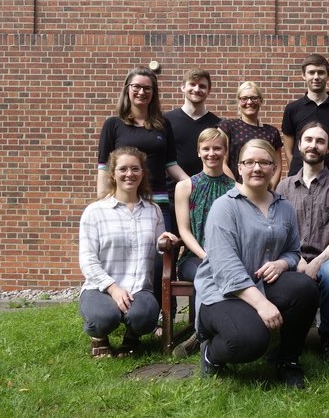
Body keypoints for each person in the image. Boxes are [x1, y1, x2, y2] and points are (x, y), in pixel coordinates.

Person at [195, 139, 319, 388]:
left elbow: (294, 251)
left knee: (304, 287)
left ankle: (287, 360)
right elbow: (226, 268)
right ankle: (211, 354)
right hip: (222, 293)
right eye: (249, 162)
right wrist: (262, 304)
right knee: (250, 340)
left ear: (274, 168)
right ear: (239, 168)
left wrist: (283, 264)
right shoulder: (224, 207)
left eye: (264, 162)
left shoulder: (284, 207)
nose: (257, 168)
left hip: (262, 283)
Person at [97, 66, 188, 310]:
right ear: (127, 90)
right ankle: (117, 308)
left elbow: (171, 165)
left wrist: (192, 183)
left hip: (158, 203)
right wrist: (102, 202)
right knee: (123, 258)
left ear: (154, 92)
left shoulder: (162, 125)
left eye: (147, 88)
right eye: (136, 87)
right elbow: (104, 168)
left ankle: (158, 313)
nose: (141, 92)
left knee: (161, 260)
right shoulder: (113, 125)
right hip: (123, 203)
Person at [79, 146, 179, 357]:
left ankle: (132, 335)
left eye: (135, 169)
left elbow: (158, 250)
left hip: (139, 288)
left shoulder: (153, 211)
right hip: (101, 288)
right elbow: (87, 260)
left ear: (143, 173)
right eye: (123, 169)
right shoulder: (95, 212)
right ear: (113, 174)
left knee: (144, 317)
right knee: (104, 318)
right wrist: (113, 289)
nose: (129, 174)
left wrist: (165, 241)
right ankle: (99, 335)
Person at [276, 121, 329, 362]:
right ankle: (289, 337)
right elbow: (282, 232)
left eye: (320, 141)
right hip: (293, 256)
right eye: (309, 140)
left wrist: (317, 262)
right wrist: (299, 260)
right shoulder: (284, 186)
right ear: (300, 145)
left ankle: (328, 337)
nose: (314, 145)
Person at [164, 69, 222, 233]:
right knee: (171, 249)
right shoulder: (166, 121)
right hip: (172, 197)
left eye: (202, 86)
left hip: (207, 197)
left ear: (208, 91)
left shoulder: (218, 124)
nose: (197, 89)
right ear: (182, 87)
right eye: (192, 84)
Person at [174, 127, 235, 282]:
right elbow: (184, 231)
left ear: (225, 151)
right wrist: (206, 257)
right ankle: (194, 308)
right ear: (198, 152)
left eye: (217, 148)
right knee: (206, 275)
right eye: (206, 149)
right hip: (195, 257)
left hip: (229, 258)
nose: (211, 153)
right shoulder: (184, 187)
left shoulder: (236, 189)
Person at [282, 53, 329, 177]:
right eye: (311, 72)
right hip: (299, 181)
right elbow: (288, 151)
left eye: (321, 72)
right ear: (303, 75)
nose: (316, 77)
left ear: (328, 75)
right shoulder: (292, 109)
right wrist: (297, 174)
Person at [219, 82, 283, 188]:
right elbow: (222, 163)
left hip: (263, 193)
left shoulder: (272, 132)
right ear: (239, 102)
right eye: (244, 98)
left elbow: (278, 167)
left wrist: (269, 190)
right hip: (232, 192)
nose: (249, 102)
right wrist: (238, 189)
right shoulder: (227, 127)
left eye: (254, 98)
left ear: (261, 101)